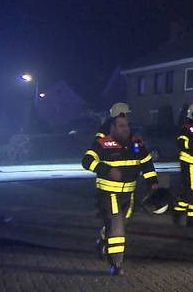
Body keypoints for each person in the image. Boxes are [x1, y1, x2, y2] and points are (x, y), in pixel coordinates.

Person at [82, 112, 158, 276]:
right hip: (109, 193)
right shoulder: (102, 144)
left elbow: (146, 163)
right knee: (117, 228)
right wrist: (107, 170)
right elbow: (87, 161)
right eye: (121, 126)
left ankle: (103, 239)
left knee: (119, 225)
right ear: (113, 128)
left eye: (127, 125)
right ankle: (116, 264)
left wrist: (153, 182)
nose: (126, 129)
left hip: (129, 195)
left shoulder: (136, 144)